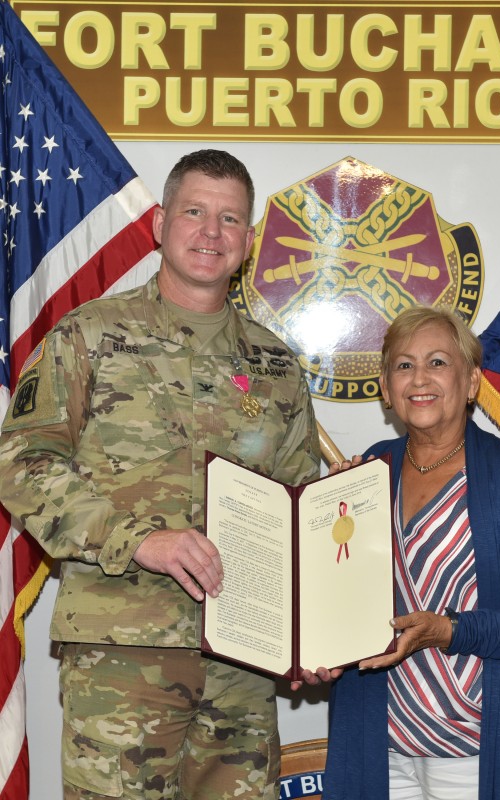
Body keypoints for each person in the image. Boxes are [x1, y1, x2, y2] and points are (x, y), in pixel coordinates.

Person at [0, 150, 322, 800]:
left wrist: (310, 630)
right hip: (123, 654)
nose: (211, 232)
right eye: (195, 212)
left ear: (250, 241)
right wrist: (139, 538)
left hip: (243, 658)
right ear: (159, 223)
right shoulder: (88, 337)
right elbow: (20, 463)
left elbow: (301, 514)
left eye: (230, 219)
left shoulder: (275, 365)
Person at [322, 305, 500, 800]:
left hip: (475, 753)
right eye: (403, 365)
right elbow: (338, 600)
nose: (419, 378)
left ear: (472, 380)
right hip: (381, 747)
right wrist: (326, 522)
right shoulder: (368, 472)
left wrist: (450, 630)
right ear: (384, 386)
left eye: (438, 362)